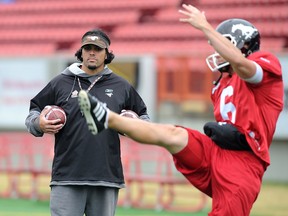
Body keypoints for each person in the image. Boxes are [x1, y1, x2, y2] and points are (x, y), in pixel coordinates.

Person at [77, 4, 284, 216]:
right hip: (216, 151)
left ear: (245, 44)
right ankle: (105, 117)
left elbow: (241, 64)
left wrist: (206, 27)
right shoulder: (221, 84)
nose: (216, 50)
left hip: (244, 163)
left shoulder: (263, 62)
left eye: (224, 42)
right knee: (173, 134)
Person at [25, 29, 150, 216]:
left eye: (98, 49)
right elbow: (33, 111)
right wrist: (38, 124)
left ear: (106, 54)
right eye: (88, 48)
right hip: (67, 176)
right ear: (81, 52)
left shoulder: (121, 86)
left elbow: (144, 118)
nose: (92, 52)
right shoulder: (61, 82)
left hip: (106, 177)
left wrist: (134, 126)